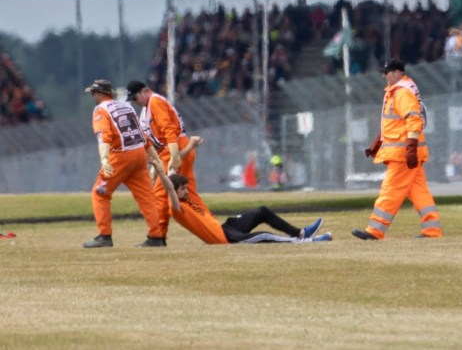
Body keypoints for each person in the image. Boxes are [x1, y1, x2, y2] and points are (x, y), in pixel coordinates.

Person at [353, 60, 442, 240]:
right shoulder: (401, 91)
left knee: (390, 190)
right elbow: (393, 124)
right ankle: (432, 230)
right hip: (406, 152)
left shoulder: (401, 93)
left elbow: (413, 120)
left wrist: (410, 148)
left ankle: (375, 231)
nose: (384, 76)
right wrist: (377, 144)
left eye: (386, 72)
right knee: (419, 191)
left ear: (397, 72)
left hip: (403, 154)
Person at [82, 79, 165, 248]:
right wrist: (156, 158)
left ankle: (105, 236)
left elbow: (103, 136)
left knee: (100, 193)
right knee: (147, 197)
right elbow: (142, 133)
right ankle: (156, 236)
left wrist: (104, 159)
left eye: (93, 93)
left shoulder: (100, 110)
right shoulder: (126, 106)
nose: (92, 96)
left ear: (99, 93)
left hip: (120, 156)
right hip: (139, 154)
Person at [153, 168, 329, 244]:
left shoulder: (189, 199)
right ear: (174, 192)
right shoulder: (176, 207)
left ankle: (299, 233)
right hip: (225, 238)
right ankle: (307, 241)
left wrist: (189, 147)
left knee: (262, 211)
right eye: (183, 189)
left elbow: (173, 172)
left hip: (227, 227)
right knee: (263, 236)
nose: (187, 191)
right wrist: (157, 168)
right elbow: (170, 186)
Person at [126, 80, 200, 245]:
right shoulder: (147, 108)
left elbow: (168, 130)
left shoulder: (155, 102)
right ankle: (211, 227)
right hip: (170, 150)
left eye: (135, 97)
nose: (135, 102)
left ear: (145, 91)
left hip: (173, 148)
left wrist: (174, 156)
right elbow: (157, 138)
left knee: (159, 195)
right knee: (188, 196)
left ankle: (157, 237)